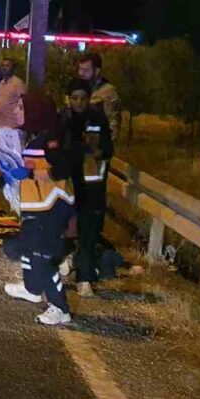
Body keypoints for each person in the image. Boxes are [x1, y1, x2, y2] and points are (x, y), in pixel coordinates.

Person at [3, 131, 77, 326]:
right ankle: (32, 289)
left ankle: (60, 308)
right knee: (22, 248)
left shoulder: (51, 145)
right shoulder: (35, 140)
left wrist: (31, 173)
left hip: (51, 214)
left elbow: (63, 168)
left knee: (42, 260)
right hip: (35, 214)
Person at [61, 78, 113, 297]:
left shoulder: (98, 118)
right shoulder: (63, 119)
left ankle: (84, 277)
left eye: (83, 98)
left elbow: (109, 148)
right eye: (75, 98)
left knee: (88, 232)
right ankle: (60, 265)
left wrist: (100, 152)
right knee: (63, 230)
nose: (79, 102)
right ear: (69, 99)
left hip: (92, 186)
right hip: (69, 185)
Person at [78, 52, 122, 139]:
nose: (81, 73)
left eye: (86, 70)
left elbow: (113, 124)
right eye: (80, 69)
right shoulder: (79, 89)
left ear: (97, 71)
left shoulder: (108, 92)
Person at [0, 58, 27, 149]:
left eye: (7, 66)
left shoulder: (18, 83)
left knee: (14, 154)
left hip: (13, 126)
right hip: (0, 124)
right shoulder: (1, 82)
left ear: (13, 68)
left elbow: (24, 102)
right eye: (3, 65)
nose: (4, 68)